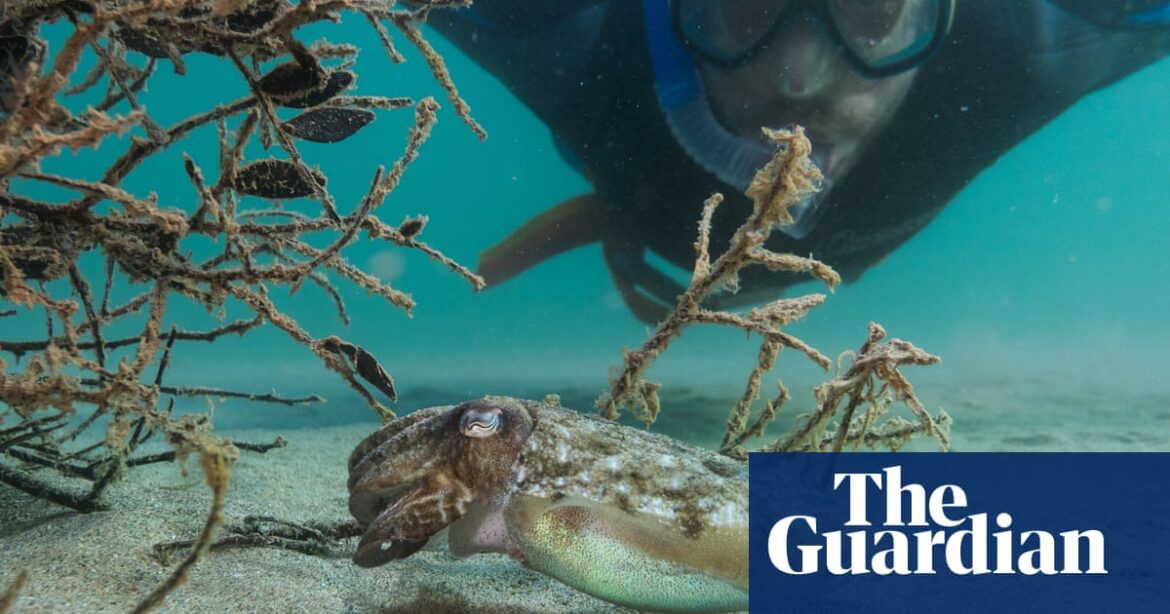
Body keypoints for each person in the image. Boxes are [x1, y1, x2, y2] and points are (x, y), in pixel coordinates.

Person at [429, 1, 1170, 322]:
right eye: (748, 3)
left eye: (869, 7)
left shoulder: (1046, 36)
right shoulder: (558, 30)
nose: (797, 79)